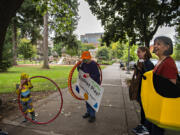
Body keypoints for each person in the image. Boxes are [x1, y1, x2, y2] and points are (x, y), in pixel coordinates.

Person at [150, 36, 178, 135]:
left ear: (167, 47)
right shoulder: (160, 61)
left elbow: (172, 86)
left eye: (159, 44)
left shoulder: (168, 63)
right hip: (156, 104)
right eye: (155, 44)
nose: (155, 46)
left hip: (161, 107)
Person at [132, 46, 154, 135]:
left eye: (139, 52)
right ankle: (142, 124)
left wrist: (141, 70)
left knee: (145, 109)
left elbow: (148, 77)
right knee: (142, 108)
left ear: (145, 52)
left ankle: (145, 127)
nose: (137, 54)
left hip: (146, 90)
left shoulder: (149, 63)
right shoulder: (140, 62)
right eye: (137, 52)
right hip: (141, 88)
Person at [77, 51, 100, 123]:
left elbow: (97, 75)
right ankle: (88, 112)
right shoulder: (83, 64)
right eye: (84, 59)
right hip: (86, 84)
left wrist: (89, 76)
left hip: (93, 84)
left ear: (89, 58)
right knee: (86, 99)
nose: (85, 60)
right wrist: (78, 66)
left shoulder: (93, 64)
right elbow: (80, 71)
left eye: (86, 59)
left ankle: (92, 115)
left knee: (91, 100)